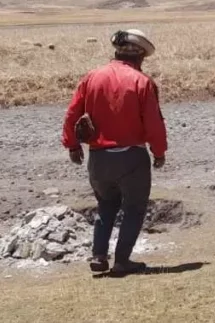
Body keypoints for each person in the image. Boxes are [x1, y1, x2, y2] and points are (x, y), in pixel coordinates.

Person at [61, 28, 167, 274]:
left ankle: (98, 256)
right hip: (132, 157)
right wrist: (159, 152)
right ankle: (122, 261)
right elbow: (153, 123)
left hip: (98, 158)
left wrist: (72, 145)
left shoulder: (92, 77)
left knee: (106, 205)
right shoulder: (142, 82)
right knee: (134, 208)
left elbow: (72, 114)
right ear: (140, 56)